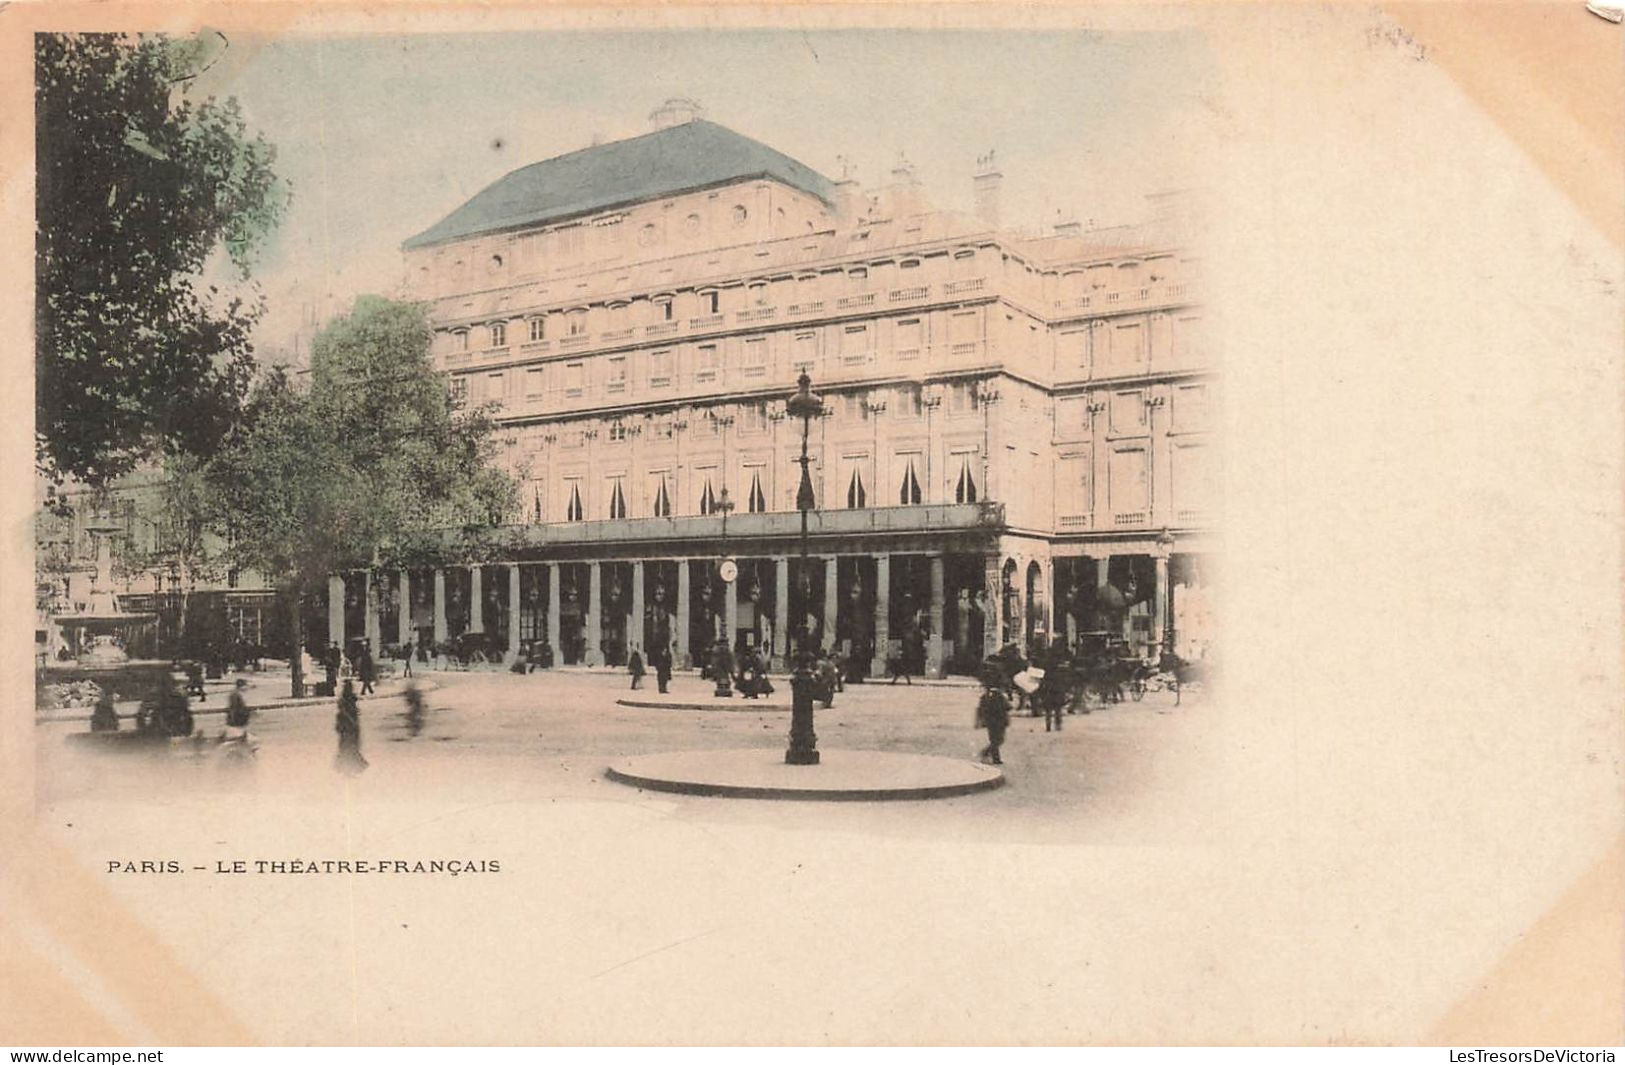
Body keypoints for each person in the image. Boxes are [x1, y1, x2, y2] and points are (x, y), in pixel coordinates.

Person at [975, 663, 1011, 766]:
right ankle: (988, 754)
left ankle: (995, 758)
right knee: (999, 740)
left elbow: (980, 710)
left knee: (994, 739)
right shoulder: (999, 696)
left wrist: (979, 720)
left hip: (991, 721)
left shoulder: (985, 697)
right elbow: (1007, 707)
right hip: (999, 721)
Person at [334, 680, 367, 776]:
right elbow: (351, 715)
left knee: (346, 749)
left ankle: (347, 769)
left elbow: (341, 716)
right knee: (351, 749)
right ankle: (350, 768)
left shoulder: (344, 702)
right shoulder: (350, 701)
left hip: (345, 729)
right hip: (351, 729)